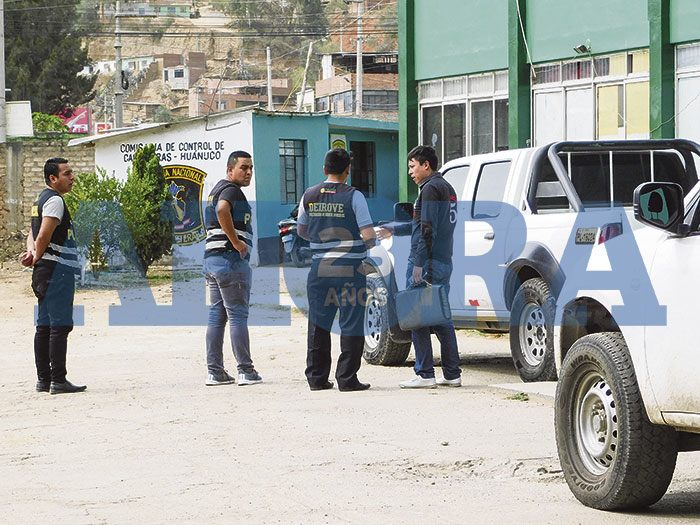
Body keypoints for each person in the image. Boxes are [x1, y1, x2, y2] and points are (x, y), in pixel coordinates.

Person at [379, 145, 461, 389]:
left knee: (417, 318)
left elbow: (427, 230)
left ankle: (425, 373)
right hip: (443, 260)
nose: (410, 172)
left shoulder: (429, 189)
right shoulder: (447, 188)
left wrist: (418, 264)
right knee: (441, 318)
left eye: (412, 166)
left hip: (427, 263)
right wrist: (394, 228)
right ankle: (452, 373)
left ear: (426, 165)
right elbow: (425, 224)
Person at [298, 148, 376, 392]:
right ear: (348, 170)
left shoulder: (309, 194)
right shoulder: (354, 196)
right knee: (351, 322)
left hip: (319, 269)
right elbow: (368, 236)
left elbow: (301, 230)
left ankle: (317, 378)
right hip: (350, 269)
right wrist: (370, 240)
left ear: (324, 169)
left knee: (318, 324)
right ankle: (347, 378)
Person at [20, 158, 86, 394]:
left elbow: (32, 234)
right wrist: (36, 255)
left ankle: (44, 380)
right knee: (59, 325)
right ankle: (58, 380)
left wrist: (32, 254)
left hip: (44, 271)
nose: (72, 177)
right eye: (67, 173)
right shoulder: (55, 200)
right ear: (53, 178)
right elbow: (43, 235)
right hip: (57, 271)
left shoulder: (40, 199)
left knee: (44, 325)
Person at [203, 150, 262, 386]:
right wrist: (236, 242)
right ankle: (246, 370)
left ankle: (215, 371)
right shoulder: (231, 190)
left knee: (217, 316)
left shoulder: (215, 190)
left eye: (251, 168)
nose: (248, 172)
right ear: (230, 170)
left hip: (213, 261)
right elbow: (222, 210)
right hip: (230, 261)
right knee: (237, 315)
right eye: (243, 168)